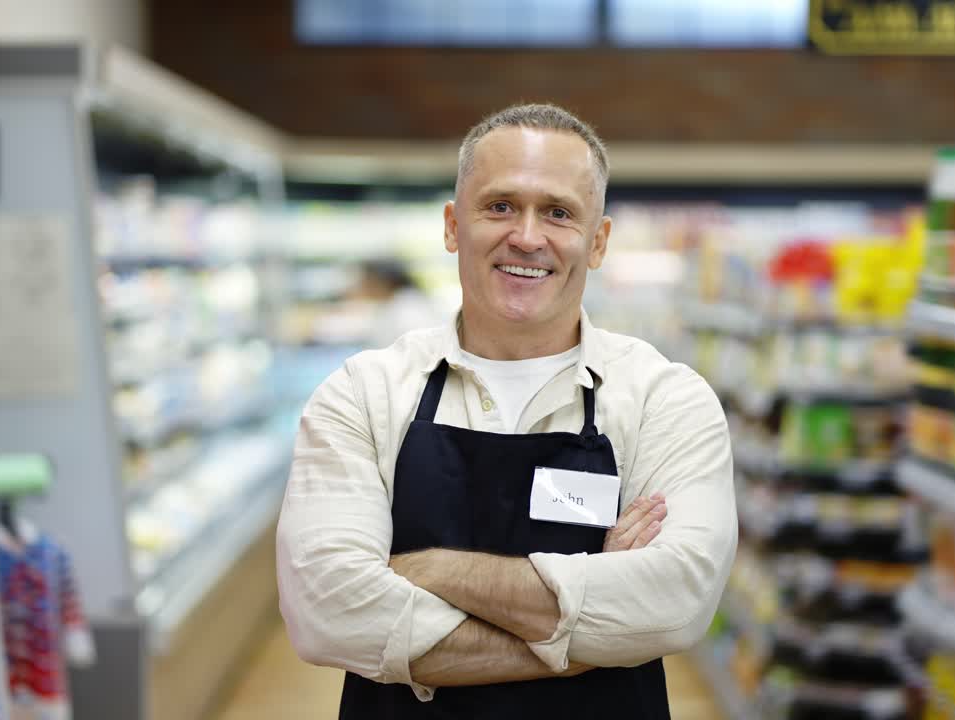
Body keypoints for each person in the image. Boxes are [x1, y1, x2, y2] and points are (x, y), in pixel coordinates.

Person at [275, 103, 737, 719]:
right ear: (451, 226)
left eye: (559, 212)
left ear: (597, 241)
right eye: (499, 206)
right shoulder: (364, 392)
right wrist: (589, 628)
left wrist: (430, 571)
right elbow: (327, 612)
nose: (526, 236)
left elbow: (676, 602)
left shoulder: (664, 399)